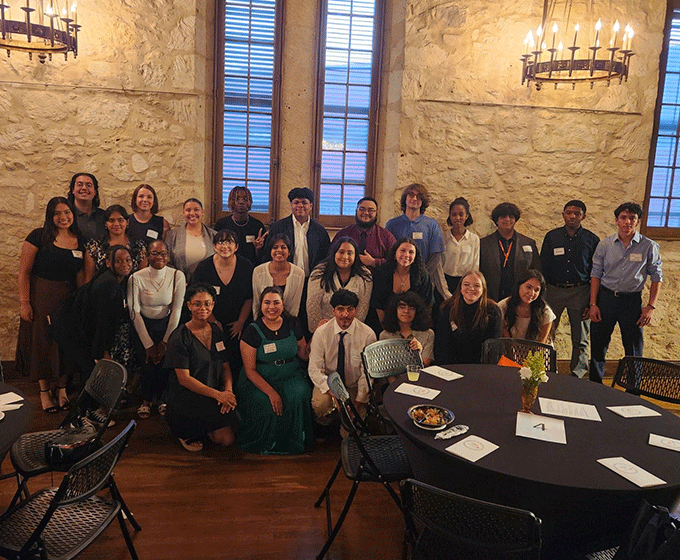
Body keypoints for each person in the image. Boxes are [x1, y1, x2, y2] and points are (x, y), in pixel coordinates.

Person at [17, 196, 85, 413]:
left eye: (67, 212)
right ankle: (45, 392)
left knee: (66, 341)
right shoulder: (38, 236)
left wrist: (81, 301)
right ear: (50, 215)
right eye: (57, 213)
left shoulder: (78, 239)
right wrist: (24, 303)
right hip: (42, 295)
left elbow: (81, 274)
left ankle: (63, 389)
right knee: (44, 341)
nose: (63, 217)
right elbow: (24, 272)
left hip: (68, 296)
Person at [589, 202, 662, 383]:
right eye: (623, 217)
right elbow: (595, 275)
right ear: (616, 220)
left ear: (638, 221)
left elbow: (657, 277)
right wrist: (593, 304)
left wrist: (651, 306)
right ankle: (595, 386)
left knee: (634, 347)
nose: (627, 222)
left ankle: (633, 389)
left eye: (632, 218)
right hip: (606, 298)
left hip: (631, 301)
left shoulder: (648, 246)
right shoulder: (605, 245)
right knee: (598, 345)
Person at [237, 287, 313, 454]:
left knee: (299, 394)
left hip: (290, 373)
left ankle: (296, 442)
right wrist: (271, 392)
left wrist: (316, 337)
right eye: (267, 302)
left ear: (283, 304)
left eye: (276, 302)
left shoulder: (293, 323)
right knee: (265, 402)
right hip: (261, 377)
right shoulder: (252, 331)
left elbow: (303, 354)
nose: (272, 307)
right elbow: (250, 370)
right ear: (261, 305)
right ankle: (268, 444)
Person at [164, 284, 238, 452]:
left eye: (207, 303)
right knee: (224, 437)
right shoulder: (179, 337)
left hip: (214, 393)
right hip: (188, 398)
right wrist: (218, 395)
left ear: (213, 305)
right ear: (189, 305)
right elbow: (184, 379)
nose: (202, 308)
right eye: (197, 304)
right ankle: (185, 431)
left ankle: (207, 428)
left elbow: (225, 366)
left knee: (227, 440)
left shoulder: (216, 331)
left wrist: (228, 392)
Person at [540, 200, 600, 378]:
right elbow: (543, 266)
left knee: (580, 339)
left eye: (577, 213)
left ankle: (578, 376)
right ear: (563, 214)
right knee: (547, 334)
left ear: (583, 216)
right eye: (569, 212)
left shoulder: (592, 239)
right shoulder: (552, 237)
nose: (572, 216)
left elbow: (596, 272)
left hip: (580, 292)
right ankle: (546, 371)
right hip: (553, 291)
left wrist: (592, 302)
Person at [128, 239, 186, 418]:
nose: (159, 257)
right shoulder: (136, 277)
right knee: (146, 363)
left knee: (164, 363)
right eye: (154, 253)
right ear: (147, 256)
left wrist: (166, 341)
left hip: (167, 325)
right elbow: (134, 311)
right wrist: (147, 344)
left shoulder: (177, 275)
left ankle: (162, 399)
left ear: (168, 256)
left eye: (163, 253)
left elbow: (176, 309)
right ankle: (146, 400)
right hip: (142, 325)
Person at [308, 289, 377, 420]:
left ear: (356, 310)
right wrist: (333, 392)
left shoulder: (368, 334)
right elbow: (314, 369)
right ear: (333, 311)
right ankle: (325, 424)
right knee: (320, 405)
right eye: (340, 309)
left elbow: (367, 374)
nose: (345, 314)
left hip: (354, 386)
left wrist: (358, 402)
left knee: (355, 425)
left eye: (350, 309)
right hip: (329, 384)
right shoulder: (321, 333)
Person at [193, 229, 253, 378]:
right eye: (221, 242)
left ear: (236, 246)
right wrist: (213, 322)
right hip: (210, 321)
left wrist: (240, 322)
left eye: (229, 242)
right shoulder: (204, 267)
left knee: (237, 360)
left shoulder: (246, 266)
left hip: (239, 323)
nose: (225, 246)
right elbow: (197, 297)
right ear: (214, 246)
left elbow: (250, 297)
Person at [434, 271, 502, 364]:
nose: (471, 288)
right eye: (466, 284)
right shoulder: (447, 308)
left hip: (480, 368)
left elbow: (494, 348)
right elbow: (441, 344)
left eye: (477, 285)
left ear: (483, 290)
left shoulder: (493, 311)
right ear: (460, 288)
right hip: (451, 366)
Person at [306, 237, 372, 333]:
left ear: (356, 256)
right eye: (341, 252)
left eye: (350, 253)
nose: (345, 257)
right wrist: (318, 331)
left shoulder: (365, 275)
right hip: (324, 328)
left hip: (352, 330)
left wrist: (350, 329)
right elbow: (313, 306)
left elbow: (363, 308)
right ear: (334, 253)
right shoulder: (319, 273)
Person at [479, 202, 541, 302]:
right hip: (491, 296)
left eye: (511, 216)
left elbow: (536, 270)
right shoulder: (483, 244)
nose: (507, 219)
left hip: (520, 297)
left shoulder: (529, 243)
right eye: (503, 216)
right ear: (496, 220)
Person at [385, 183, 445, 282]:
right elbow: (388, 252)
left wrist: (424, 276)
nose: (415, 198)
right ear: (405, 198)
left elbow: (435, 255)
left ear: (423, 201)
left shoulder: (432, 225)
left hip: (422, 279)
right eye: (411, 195)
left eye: (419, 196)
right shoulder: (392, 225)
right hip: (396, 277)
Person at [267, 187, 331, 277]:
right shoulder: (278, 228)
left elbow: (326, 258)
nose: (300, 205)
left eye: (304, 202)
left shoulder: (320, 231)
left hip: (311, 279)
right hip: (284, 277)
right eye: (296, 202)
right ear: (291, 205)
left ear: (311, 206)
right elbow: (268, 254)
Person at [370, 238, 433, 328]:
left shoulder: (422, 275)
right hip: (385, 325)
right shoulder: (381, 273)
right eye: (402, 250)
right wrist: (387, 329)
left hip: (415, 325)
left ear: (415, 257)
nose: (406, 255)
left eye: (411, 252)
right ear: (395, 254)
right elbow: (378, 305)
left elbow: (425, 305)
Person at [83, 205, 147, 282]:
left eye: (120, 220)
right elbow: (88, 279)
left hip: (131, 291)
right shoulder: (94, 246)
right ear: (106, 224)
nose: (116, 224)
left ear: (127, 222)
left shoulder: (139, 246)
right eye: (112, 220)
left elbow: (143, 277)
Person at [251, 233, 305, 317]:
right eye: (275, 247)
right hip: (263, 322)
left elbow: (295, 307)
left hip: (289, 323)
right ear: (270, 251)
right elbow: (256, 305)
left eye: (283, 247)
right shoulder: (258, 271)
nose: (279, 250)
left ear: (289, 252)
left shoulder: (299, 274)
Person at [335, 197, 396, 268]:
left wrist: (374, 262)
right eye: (362, 209)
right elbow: (330, 257)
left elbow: (395, 260)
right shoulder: (343, 233)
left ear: (376, 213)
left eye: (371, 210)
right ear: (356, 211)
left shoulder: (386, 236)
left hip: (377, 277)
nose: (366, 213)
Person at [438, 197, 480, 300]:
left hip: (465, 283)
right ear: (450, 216)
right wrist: (445, 291)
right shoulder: (443, 238)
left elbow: (475, 266)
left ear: (466, 216)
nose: (457, 218)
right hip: (444, 282)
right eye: (454, 214)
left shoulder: (473, 239)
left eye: (461, 214)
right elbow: (438, 265)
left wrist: (469, 287)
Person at [213, 186, 267, 265]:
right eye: (237, 199)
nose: (241, 202)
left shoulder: (257, 226)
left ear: (250, 202)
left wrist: (258, 249)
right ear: (231, 201)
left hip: (251, 269)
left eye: (245, 199)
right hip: (226, 267)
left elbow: (264, 257)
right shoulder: (221, 225)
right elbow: (215, 250)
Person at [498, 270, 555, 343]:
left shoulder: (545, 312)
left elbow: (540, 343)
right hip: (509, 349)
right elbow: (506, 340)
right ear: (519, 285)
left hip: (536, 351)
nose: (532, 293)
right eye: (528, 287)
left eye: (536, 290)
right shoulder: (503, 307)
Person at [165, 198, 216, 281]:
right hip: (179, 283)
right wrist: (179, 279)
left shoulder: (213, 235)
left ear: (202, 212)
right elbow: (167, 261)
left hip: (206, 284)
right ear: (184, 213)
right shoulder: (172, 235)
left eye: (196, 210)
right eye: (188, 210)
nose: (192, 213)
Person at [380, 292, 434, 367]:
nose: (406, 311)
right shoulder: (385, 335)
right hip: (394, 377)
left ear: (417, 312)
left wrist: (419, 351)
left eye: (411, 308)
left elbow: (426, 364)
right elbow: (384, 366)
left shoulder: (428, 334)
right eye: (402, 307)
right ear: (394, 310)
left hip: (419, 376)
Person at [67, 172, 106, 241]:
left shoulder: (104, 216)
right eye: (79, 185)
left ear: (95, 192)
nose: (84, 188)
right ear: (73, 190)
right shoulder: (66, 216)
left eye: (89, 185)